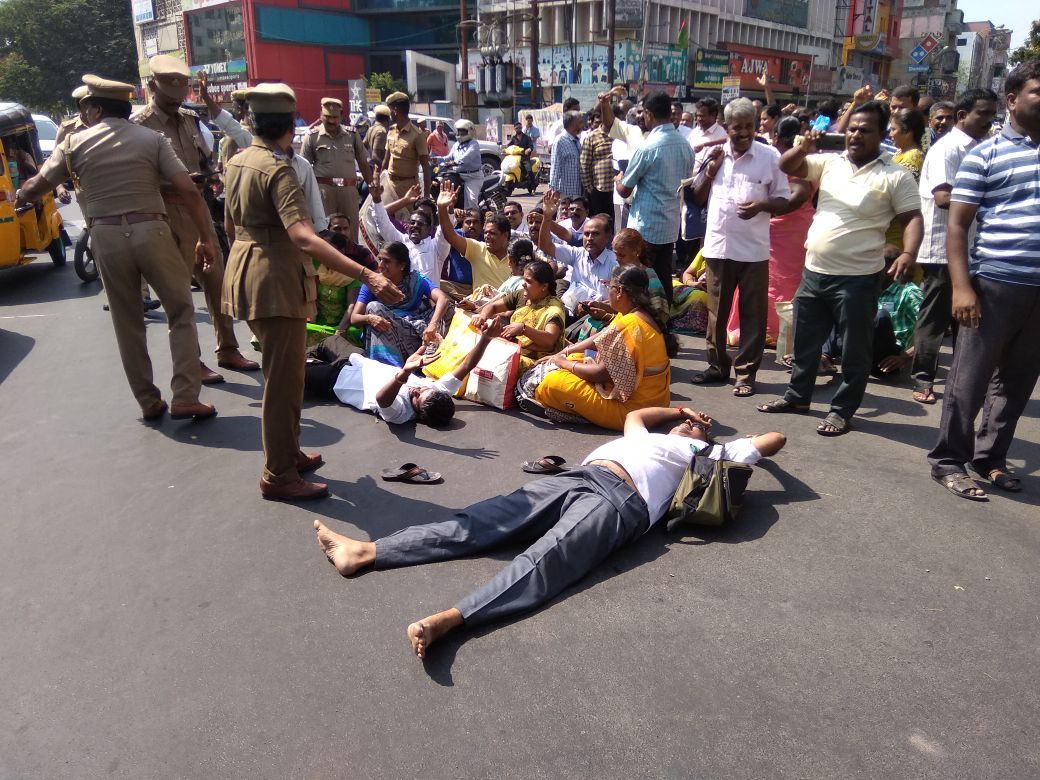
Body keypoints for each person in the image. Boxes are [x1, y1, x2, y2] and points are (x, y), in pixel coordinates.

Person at [312, 405, 786, 659]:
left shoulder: (710, 456)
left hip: (621, 503)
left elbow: (774, 439)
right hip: (578, 476)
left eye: (691, 427)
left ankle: (451, 620)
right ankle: (367, 552)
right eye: (682, 424)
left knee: (543, 562)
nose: (684, 426)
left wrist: (712, 435)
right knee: (481, 522)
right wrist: (678, 408)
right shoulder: (648, 436)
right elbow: (638, 417)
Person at [221, 83, 403, 502]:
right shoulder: (278, 169)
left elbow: (231, 226)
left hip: (249, 270)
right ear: (291, 126)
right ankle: (278, 473)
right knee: (283, 382)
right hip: (275, 279)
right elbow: (303, 236)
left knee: (286, 373)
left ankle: (287, 453)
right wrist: (368, 274)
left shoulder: (239, 160)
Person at [18, 74, 219, 422]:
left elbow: (37, 186)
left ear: (97, 110)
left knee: (128, 322)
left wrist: (20, 195)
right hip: (153, 230)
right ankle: (186, 396)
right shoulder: (152, 139)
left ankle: (148, 401)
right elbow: (188, 190)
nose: (84, 113)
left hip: (106, 237)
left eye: (87, 108)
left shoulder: (73, 144)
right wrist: (206, 237)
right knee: (181, 311)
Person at [757, 101, 922, 436]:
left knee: (854, 349)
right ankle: (797, 397)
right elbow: (786, 163)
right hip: (815, 271)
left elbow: (913, 218)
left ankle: (842, 410)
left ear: (881, 134)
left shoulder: (895, 175)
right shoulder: (830, 162)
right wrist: (804, 146)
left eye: (865, 130)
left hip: (858, 278)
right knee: (805, 341)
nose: (855, 135)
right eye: (852, 129)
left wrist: (908, 253)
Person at [927, 61, 1040, 501]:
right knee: (969, 379)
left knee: (1017, 380)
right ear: (1012, 99)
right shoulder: (985, 154)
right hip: (994, 284)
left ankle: (990, 458)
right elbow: (958, 226)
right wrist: (962, 287)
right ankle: (948, 460)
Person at [133, 55, 259, 382]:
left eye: (179, 96)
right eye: (169, 97)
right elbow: (138, 176)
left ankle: (228, 348)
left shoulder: (190, 119)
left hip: (197, 210)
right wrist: (177, 181)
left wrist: (206, 175)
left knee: (217, 283)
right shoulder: (140, 125)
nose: (175, 103)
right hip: (164, 212)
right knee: (180, 294)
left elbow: (204, 156)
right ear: (153, 87)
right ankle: (193, 361)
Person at [690, 98, 791, 397]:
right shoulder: (715, 154)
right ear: (727, 127)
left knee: (752, 315)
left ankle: (746, 374)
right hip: (718, 248)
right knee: (716, 314)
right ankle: (717, 366)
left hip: (754, 251)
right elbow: (697, 197)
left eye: (749, 126)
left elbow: (783, 199)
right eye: (737, 127)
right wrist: (711, 171)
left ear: (756, 125)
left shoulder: (769, 156)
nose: (744, 133)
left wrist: (761, 205)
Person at [911, 88, 998, 405]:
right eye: (983, 114)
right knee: (935, 317)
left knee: (968, 317)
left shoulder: (982, 147)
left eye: (992, 115)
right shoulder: (948, 149)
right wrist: (991, 201)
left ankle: (964, 380)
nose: (989, 121)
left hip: (972, 246)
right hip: (942, 247)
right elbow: (943, 197)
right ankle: (923, 378)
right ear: (963, 115)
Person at [521, 266, 676, 429]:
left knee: (552, 384)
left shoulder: (630, 325)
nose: (607, 291)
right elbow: (600, 338)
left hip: (635, 411)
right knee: (574, 357)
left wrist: (562, 362)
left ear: (619, 291)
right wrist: (564, 353)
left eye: (609, 287)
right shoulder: (634, 314)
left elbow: (599, 374)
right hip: (656, 402)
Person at [305, 318, 508, 425]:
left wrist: (404, 373)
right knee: (330, 342)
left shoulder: (400, 414)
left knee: (293, 373)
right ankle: (306, 357)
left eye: (417, 397)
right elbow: (465, 366)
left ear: (419, 414)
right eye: (424, 390)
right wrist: (486, 339)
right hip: (358, 361)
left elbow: (382, 399)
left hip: (335, 379)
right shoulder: (437, 392)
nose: (416, 390)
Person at [198, 72, 328, 233]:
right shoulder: (250, 150)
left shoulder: (302, 166)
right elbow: (231, 125)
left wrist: (321, 235)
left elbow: (317, 214)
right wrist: (206, 98)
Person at [616, 92, 695, 308]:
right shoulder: (685, 145)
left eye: (643, 113)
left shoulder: (647, 147)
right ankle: (664, 322)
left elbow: (624, 190)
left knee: (639, 283)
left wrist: (618, 179)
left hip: (646, 228)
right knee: (663, 277)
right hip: (669, 226)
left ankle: (645, 324)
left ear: (649, 114)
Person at [351, 240, 450, 366]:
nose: (381, 265)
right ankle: (388, 365)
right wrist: (369, 318)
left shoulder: (416, 280)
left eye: (387, 261)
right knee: (374, 307)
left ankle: (435, 356)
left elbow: (443, 298)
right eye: (380, 259)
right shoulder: (372, 284)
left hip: (416, 332)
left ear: (402, 265)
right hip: (387, 332)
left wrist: (432, 325)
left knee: (448, 309)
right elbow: (354, 318)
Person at [472, 259, 566, 371]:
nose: (523, 284)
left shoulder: (554, 309)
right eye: (524, 279)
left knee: (495, 360)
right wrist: (482, 317)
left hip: (536, 361)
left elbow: (549, 341)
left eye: (528, 281)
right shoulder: (522, 295)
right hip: (512, 348)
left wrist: (523, 329)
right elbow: (493, 307)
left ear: (544, 287)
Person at [300, 97, 372, 242]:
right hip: (323, 192)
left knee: (351, 232)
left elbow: (363, 163)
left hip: (348, 191)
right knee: (324, 231)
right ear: (320, 115)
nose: (331, 121)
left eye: (335, 117)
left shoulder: (352, 135)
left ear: (341, 115)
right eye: (327, 117)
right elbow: (303, 169)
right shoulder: (312, 137)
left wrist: (372, 187)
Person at [536, 189, 617, 315]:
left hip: (599, 318)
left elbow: (620, 304)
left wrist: (595, 307)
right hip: (571, 312)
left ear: (608, 236)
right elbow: (545, 246)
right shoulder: (578, 254)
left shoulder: (615, 264)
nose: (590, 238)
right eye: (586, 234)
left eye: (595, 234)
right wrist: (547, 217)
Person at [368, 175, 447, 286]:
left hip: (429, 296)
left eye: (420, 223)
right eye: (412, 222)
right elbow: (383, 224)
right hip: (400, 295)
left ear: (429, 228)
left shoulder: (436, 246)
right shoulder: (402, 241)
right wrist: (377, 200)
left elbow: (445, 231)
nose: (415, 226)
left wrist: (446, 209)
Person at [436, 181, 512, 289]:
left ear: (505, 235)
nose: (487, 236)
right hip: (474, 298)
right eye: (486, 232)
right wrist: (442, 208)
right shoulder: (478, 248)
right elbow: (449, 235)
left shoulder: (515, 258)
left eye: (492, 233)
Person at [381, 92, 431, 207]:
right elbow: (386, 159)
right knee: (385, 216)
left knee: (407, 218)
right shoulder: (391, 131)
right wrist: (380, 180)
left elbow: (425, 166)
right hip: (389, 185)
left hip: (408, 189)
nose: (389, 114)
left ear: (395, 110)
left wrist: (426, 196)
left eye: (390, 110)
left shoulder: (417, 135)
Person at [437, 119, 482, 209]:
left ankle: (473, 216)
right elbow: (448, 157)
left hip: (472, 177)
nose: (460, 133)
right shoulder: (457, 144)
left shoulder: (473, 144)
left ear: (469, 131)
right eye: (459, 131)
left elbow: (467, 156)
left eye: (463, 131)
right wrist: (435, 159)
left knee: (471, 200)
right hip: (459, 175)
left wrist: (454, 162)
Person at [579, 107, 615, 217]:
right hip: (598, 190)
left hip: (617, 191)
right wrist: (590, 189)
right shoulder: (592, 136)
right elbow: (584, 164)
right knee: (599, 221)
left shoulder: (620, 134)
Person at [549, 111, 583, 199]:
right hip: (565, 193)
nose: (582, 125)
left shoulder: (576, 141)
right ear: (573, 124)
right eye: (580, 122)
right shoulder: (560, 141)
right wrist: (554, 190)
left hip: (577, 191)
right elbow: (555, 167)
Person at [364, 104, 391, 168]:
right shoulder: (381, 131)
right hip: (378, 169)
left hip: (371, 166)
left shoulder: (371, 129)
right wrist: (385, 168)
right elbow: (375, 156)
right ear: (387, 119)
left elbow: (363, 146)